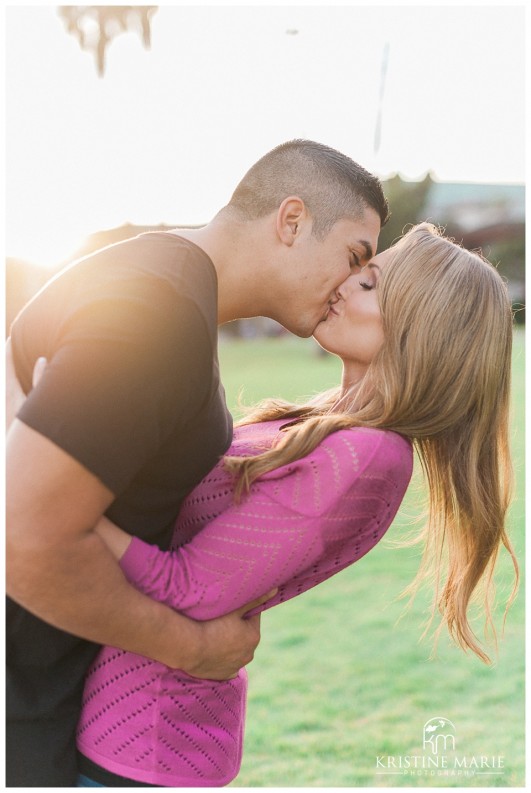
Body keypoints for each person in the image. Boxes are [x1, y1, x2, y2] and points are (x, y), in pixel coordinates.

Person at [72, 223, 518, 786]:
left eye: (370, 285)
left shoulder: (370, 457)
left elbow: (188, 588)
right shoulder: (320, 422)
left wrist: (63, 512)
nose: (342, 286)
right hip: (110, 705)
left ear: (419, 328)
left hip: (146, 740)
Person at [5, 139, 389, 787]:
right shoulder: (155, 312)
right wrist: (190, 647)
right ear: (290, 221)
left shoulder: (155, 281)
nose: (348, 285)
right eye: (354, 257)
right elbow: (22, 533)